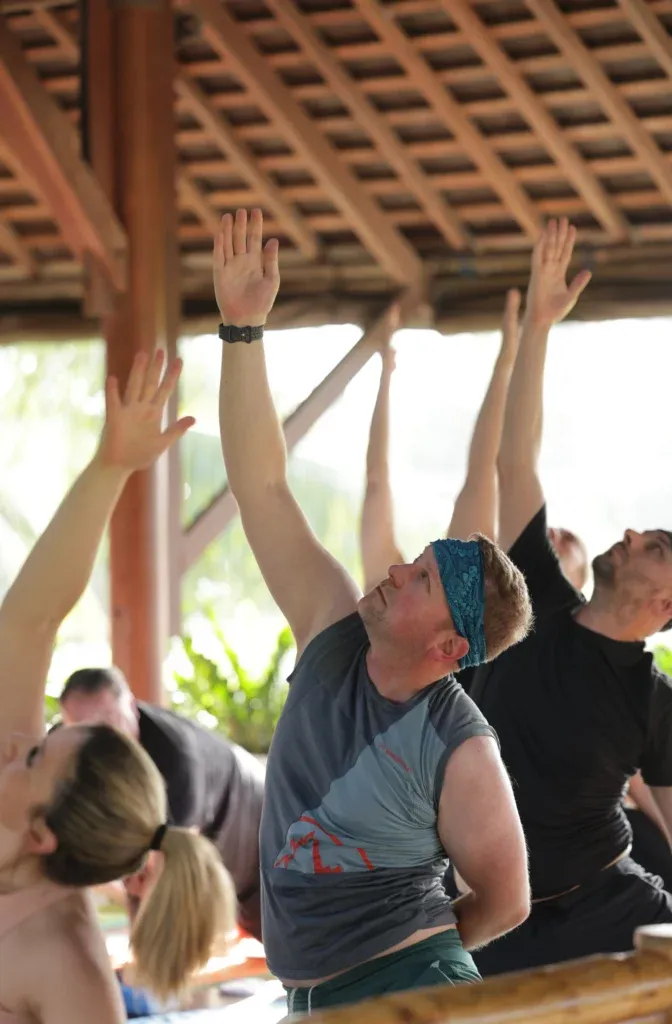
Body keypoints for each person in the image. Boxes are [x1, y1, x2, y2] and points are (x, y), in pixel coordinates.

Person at [212, 207, 534, 1013]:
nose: (394, 569)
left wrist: (403, 962)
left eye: (419, 578)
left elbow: (506, 899)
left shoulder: (460, 747)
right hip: (310, 998)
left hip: (406, 994)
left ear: (448, 646)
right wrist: (241, 330)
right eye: (416, 560)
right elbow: (262, 488)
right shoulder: (331, 628)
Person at [465, 218, 672, 975]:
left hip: (608, 907)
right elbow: (511, 458)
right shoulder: (537, 600)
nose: (628, 536)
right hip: (490, 915)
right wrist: (537, 328)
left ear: (667, 607)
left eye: (652, 546)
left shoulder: (655, 703)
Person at [0, 351, 234, 1024]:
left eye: (39, 757)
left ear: (43, 834)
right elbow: (32, 619)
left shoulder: (68, 962)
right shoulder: (11, 766)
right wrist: (113, 466)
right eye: (46, 737)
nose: (22, 744)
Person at [360, 288, 589, 599]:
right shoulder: (468, 575)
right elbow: (507, 463)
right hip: (443, 599)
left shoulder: (479, 596)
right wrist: (511, 356)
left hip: (459, 605)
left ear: (573, 588)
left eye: (567, 544)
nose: (556, 535)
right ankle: (505, 356)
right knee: (488, 474)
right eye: (561, 534)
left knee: (486, 477)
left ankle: (508, 355)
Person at [59, 665, 264, 939]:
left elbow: (167, 864)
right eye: (82, 731)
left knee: (275, 925)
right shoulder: (63, 750)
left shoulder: (176, 758)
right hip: (198, 823)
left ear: (131, 706)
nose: (97, 741)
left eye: (108, 723)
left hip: (247, 809)